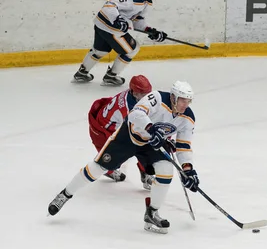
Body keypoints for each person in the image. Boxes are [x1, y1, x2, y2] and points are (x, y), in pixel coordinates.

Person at [48, 81, 200, 234]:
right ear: (173, 97)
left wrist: (188, 170)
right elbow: (136, 113)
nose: (185, 105)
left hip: (153, 144)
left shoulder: (188, 117)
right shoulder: (158, 98)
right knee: (97, 168)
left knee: (166, 171)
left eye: (188, 101)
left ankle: (152, 212)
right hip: (128, 137)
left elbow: (184, 146)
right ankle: (65, 194)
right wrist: (151, 128)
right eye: (182, 100)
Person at [73, 0, 168, 86]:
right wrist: (118, 19)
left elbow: (137, 21)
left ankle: (81, 73)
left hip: (100, 24)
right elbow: (109, 5)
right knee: (133, 49)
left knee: (100, 50)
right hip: (111, 27)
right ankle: (111, 76)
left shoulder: (147, 2)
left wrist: (150, 31)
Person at [88, 74, 155, 188]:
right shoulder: (128, 108)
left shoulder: (134, 97)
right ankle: (109, 171)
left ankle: (145, 172)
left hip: (110, 125)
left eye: (148, 93)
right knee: (138, 144)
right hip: (103, 131)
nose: (146, 97)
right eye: (143, 94)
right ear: (134, 93)